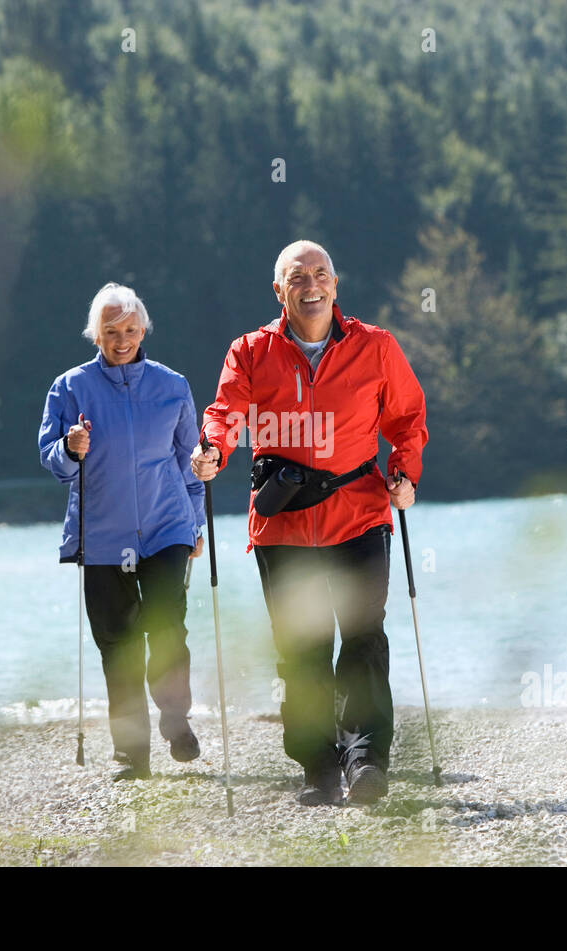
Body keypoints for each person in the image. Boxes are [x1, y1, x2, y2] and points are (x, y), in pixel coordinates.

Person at [192, 240, 427, 806]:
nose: (311, 285)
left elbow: (407, 417)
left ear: (335, 285)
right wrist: (212, 449)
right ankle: (318, 767)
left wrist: (404, 472)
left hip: (359, 515)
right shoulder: (251, 351)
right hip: (284, 525)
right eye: (298, 277)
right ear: (280, 291)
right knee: (302, 649)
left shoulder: (376, 347)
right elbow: (226, 412)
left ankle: (366, 759)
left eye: (321, 274)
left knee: (364, 638)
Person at [39, 283, 206, 782]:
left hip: (166, 527)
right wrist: (70, 447)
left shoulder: (172, 385)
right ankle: (132, 753)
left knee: (168, 626)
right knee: (118, 643)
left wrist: (196, 522)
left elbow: (191, 462)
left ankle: (175, 718)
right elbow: (53, 462)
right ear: (96, 334)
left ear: (143, 330)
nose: (122, 339)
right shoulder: (69, 388)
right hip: (103, 535)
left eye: (130, 329)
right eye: (111, 331)